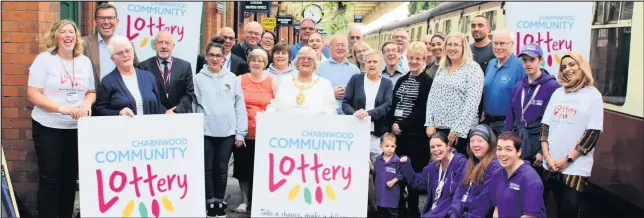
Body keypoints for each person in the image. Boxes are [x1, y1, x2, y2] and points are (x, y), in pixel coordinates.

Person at [27, 19, 95, 218]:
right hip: (48, 126)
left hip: (76, 128)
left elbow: (91, 92)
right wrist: (62, 108)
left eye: (72, 32)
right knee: (50, 178)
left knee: (69, 178)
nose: (68, 36)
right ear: (55, 36)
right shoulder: (44, 59)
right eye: (63, 32)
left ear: (77, 37)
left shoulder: (84, 61)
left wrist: (86, 104)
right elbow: (33, 94)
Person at [540, 51, 603, 218]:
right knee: (543, 209)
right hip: (550, 164)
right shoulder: (558, 93)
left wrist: (567, 160)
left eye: (572, 65)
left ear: (581, 66)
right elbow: (545, 128)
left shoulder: (593, 95)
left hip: (575, 169)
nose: (567, 69)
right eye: (564, 66)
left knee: (568, 211)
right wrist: (547, 157)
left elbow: (592, 134)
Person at [193, 40, 248, 217]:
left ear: (223, 58)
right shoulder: (197, 79)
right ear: (206, 56)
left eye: (218, 55)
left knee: (222, 169)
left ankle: (219, 200)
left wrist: (241, 132)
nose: (215, 59)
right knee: (208, 168)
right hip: (206, 131)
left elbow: (240, 106)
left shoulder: (232, 79)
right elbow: (194, 105)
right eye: (211, 55)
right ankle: (210, 202)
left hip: (227, 132)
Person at [388, 41, 433, 216]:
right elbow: (394, 104)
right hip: (398, 137)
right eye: (411, 58)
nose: (414, 61)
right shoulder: (402, 80)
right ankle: (399, 210)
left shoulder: (427, 82)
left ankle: (413, 211)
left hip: (416, 137)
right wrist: (392, 124)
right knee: (398, 175)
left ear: (424, 60)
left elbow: (422, 110)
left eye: (418, 58)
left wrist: (402, 125)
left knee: (413, 176)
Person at [426, 32, 484, 157]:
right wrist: (429, 122)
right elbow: (432, 96)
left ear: (464, 47)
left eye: (456, 45)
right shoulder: (443, 67)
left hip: (460, 132)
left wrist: (457, 130)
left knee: (459, 168)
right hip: (439, 129)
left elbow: (472, 103)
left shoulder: (473, 69)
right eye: (449, 45)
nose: (452, 48)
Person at [504, 43, 560, 170]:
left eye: (532, 59)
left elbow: (555, 123)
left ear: (541, 60)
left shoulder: (552, 87)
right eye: (524, 60)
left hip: (538, 144)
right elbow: (510, 117)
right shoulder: (518, 87)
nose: (528, 64)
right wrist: (506, 143)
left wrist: (543, 151)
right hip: (518, 142)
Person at [234, 49, 274, 214]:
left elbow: (277, 106)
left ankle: (259, 199)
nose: (257, 63)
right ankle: (244, 201)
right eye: (253, 60)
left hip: (264, 135)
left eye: (260, 60)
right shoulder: (239, 80)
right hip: (243, 133)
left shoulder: (273, 82)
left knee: (262, 169)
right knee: (243, 168)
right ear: (248, 63)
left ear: (265, 64)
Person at [399, 132, 468, 217]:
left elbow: (457, 197)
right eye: (432, 147)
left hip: (451, 214)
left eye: (439, 145)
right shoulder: (433, 166)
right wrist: (406, 165)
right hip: (434, 212)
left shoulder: (461, 163)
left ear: (448, 146)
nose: (435, 149)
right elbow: (417, 183)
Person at [343, 50, 393, 162]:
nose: (372, 64)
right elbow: (345, 102)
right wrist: (354, 113)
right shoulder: (356, 79)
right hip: (356, 133)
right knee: (357, 166)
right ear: (365, 64)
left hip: (378, 136)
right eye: (369, 62)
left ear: (381, 64)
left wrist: (368, 114)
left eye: (375, 61)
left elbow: (387, 105)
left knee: (379, 169)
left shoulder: (387, 83)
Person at [95, 35, 165, 116]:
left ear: (133, 52)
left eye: (127, 51)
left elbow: (158, 107)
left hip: (149, 127)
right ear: (113, 59)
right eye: (119, 53)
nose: (125, 55)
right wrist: (118, 113)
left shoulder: (149, 77)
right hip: (123, 127)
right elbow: (100, 110)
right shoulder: (107, 82)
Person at [449, 124, 501, 218]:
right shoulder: (470, 162)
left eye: (480, 140)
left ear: (490, 143)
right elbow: (460, 191)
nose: (475, 144)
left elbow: (484, 201)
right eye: (472, 141)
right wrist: (454, 214)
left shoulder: (495, 166)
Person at [82, 3, 139, 87]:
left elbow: (136, 68)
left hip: (121, 96)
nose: (106, 22)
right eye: (101, 18)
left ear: (117, 21)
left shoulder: (126, 44)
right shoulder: (83, 43)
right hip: (94, 97)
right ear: (95, 22)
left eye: (110, 18)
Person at [266, 46, 336, 115]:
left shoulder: (324, 84)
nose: (306, 61)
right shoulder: (285, 81)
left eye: (310, 59)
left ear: (314, 63)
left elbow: (330, 109)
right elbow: (276, 105)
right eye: (302, 58)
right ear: (297, 62)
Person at [137, 30, 194, 114]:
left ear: (173, 46)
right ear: (154, 46)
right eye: (160, 43)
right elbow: (145, 94)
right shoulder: (143, 67)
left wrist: (176, 111)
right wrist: (164, 111)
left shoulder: (185, 66)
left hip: (179, 117)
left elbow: (189, 94)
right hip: (155, 116)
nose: (164, 46)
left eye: (167, 43)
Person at [492, 132, 546, 218]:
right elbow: (497, 208)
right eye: (499, 149)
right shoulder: (496, 174)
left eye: (508, 149)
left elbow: (530, 216)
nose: (502, 154)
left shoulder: (530, 179)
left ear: (519, 152)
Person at [483, 29, 525, 135]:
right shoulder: (491, 64)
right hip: (488, 123)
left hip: (507, 124)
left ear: (512, 44)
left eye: (502, 43)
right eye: (495, 43)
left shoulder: (520, 65)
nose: (498, 47)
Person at [316, 35, 361, 115]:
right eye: (337, 45)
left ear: (347, 48)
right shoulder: (319, 68)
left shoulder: (355, 70)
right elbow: (312, 91)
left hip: (349, 116)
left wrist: (349, 93)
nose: (340, 48)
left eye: (343, 45)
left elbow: (361, 94)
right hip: (326, 116)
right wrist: (330, 93)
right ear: (330, 48)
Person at [371, 133, 405, 218]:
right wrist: (371, 166)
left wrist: (393, 181)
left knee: (392, 213)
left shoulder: (397, 160)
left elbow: (401, 174)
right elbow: (376, 171)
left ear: (395, 147)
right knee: (382, 213)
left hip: (392, 194)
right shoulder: (379, 159)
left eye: (392, 146)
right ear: (381, 146)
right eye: (387, 146)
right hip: (381, 193)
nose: (390, 148)